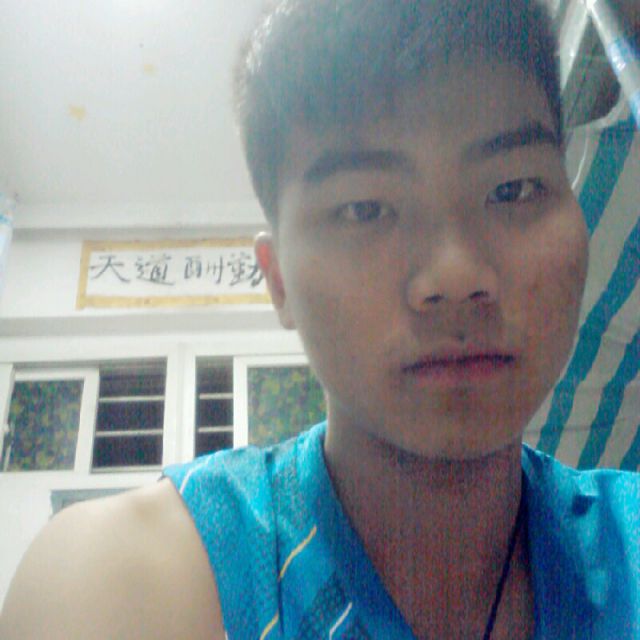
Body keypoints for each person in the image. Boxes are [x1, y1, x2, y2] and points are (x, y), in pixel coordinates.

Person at [1, 0, 638, 638]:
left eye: (512, 189)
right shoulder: (127, 579)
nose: (455, 275)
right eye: (364, 210)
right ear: (278, 280)